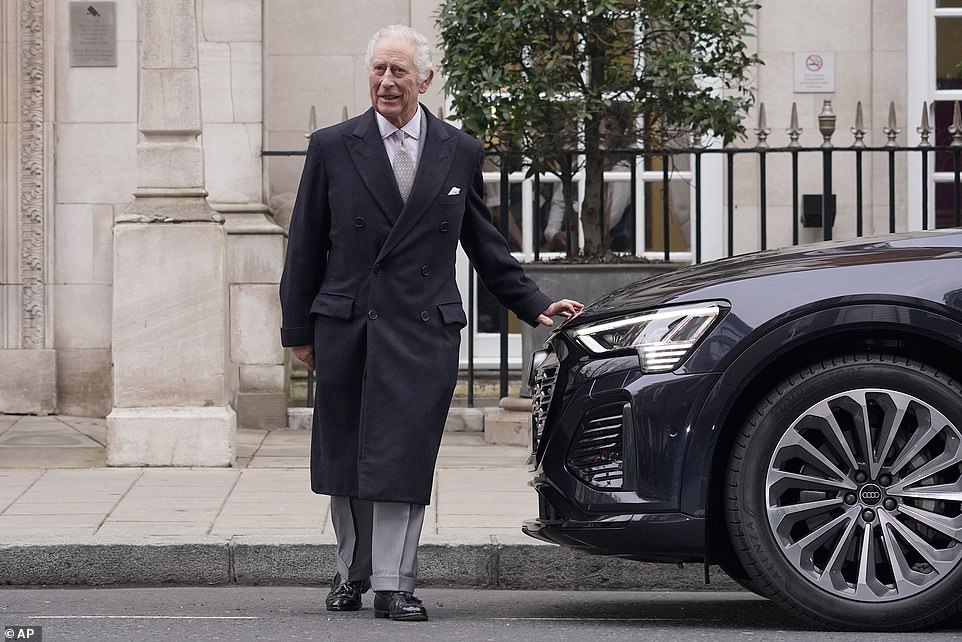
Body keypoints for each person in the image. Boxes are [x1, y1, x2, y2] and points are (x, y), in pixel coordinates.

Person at [278, 24, 583, 622]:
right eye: (378, 71)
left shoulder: (458, 150)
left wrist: (534, 304)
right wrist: (298, 332)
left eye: (398, 72)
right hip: (348, 324)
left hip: (421, 329)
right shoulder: (332, 146)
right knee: (346, 456)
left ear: (425, 80)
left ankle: (395, 583)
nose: (386, 83)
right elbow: (305, 245)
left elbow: (484, 242)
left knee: (403, 455)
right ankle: (352, 571)